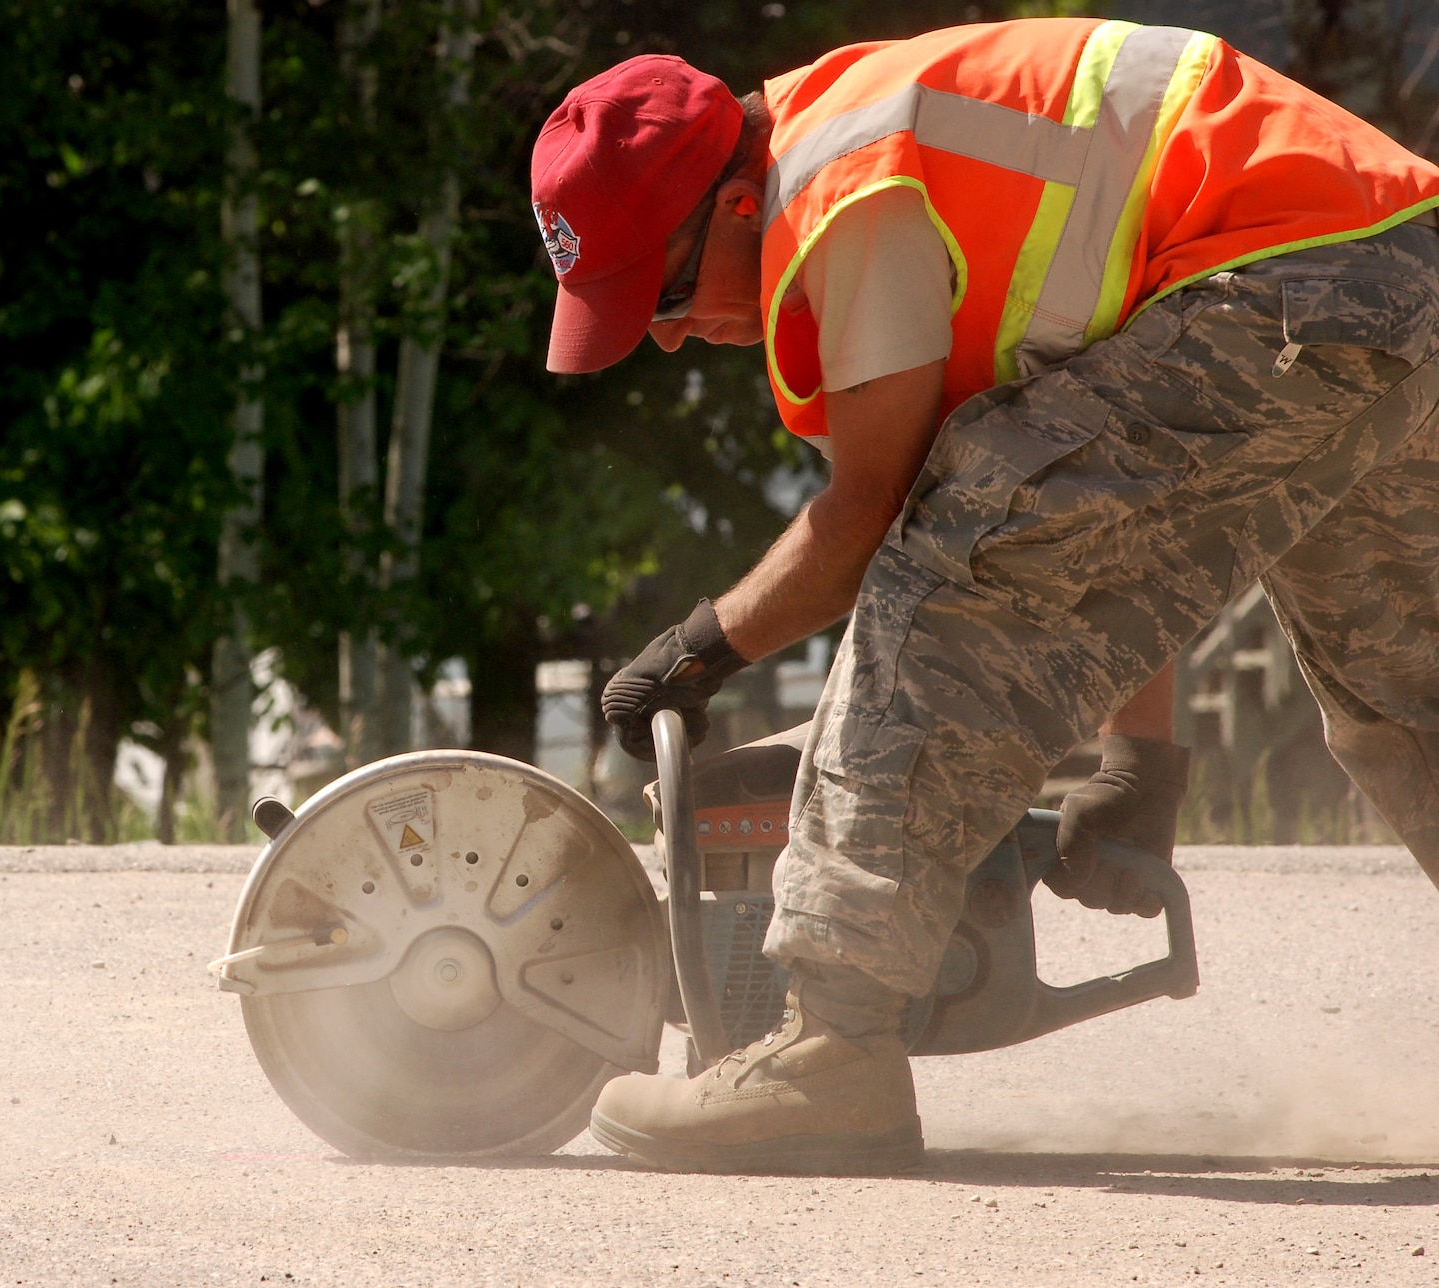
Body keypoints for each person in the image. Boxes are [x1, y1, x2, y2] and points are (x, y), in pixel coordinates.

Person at [531, 19, 1439, 1174]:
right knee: (1413, 688)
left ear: (731, 205)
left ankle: (829, 1047)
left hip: (1282, 294)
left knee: (947, 563)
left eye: (658, 292)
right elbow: (1103, 523)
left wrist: (699, 649)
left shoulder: (843, 184)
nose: (663, 338)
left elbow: (874, 522)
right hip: (1385, 276)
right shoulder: (870, 143)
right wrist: (1135, 763)